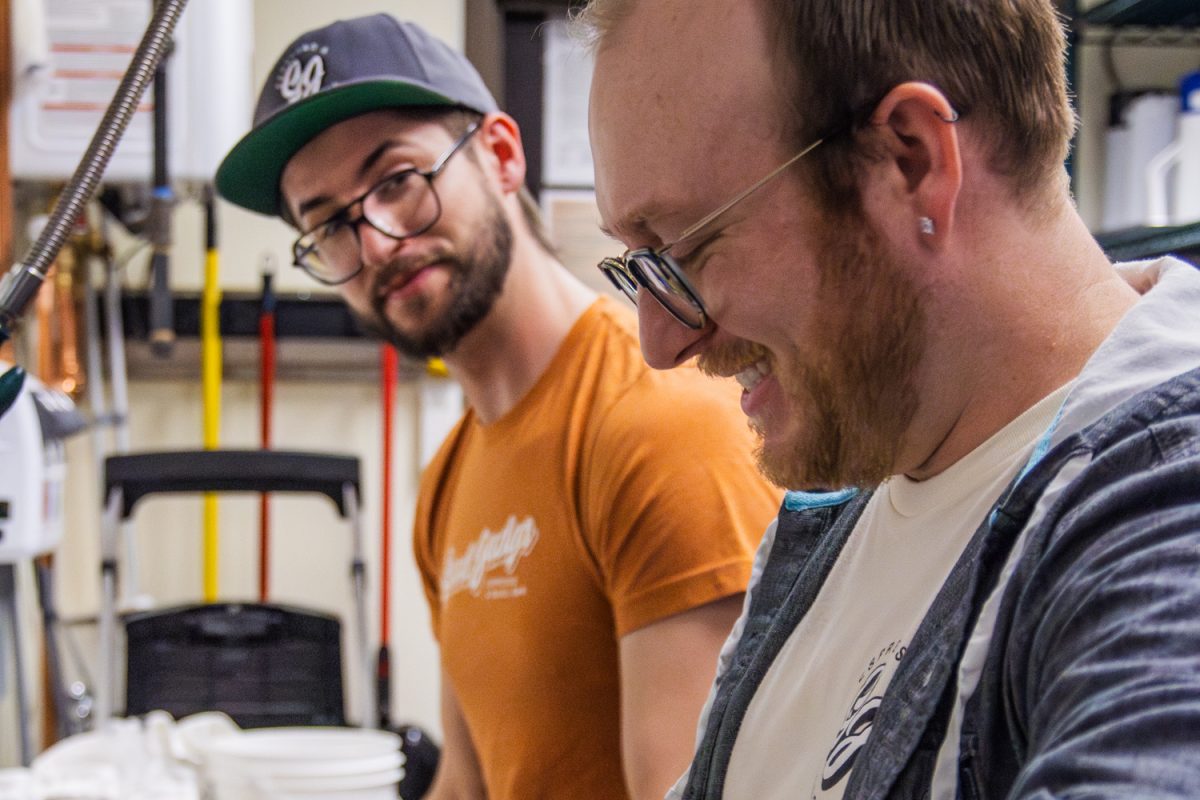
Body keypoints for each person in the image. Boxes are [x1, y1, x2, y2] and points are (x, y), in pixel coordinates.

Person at [580, 0, 1200, 797]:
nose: (661, 344)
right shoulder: (846, 503)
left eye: (688, 249)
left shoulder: (1164, 521)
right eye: (639, 268)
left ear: (910, 159)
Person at [215, 14, 781, 800]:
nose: (376, 243)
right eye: (331, 226)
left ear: (502, 155)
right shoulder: (449, 480)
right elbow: (470, 780)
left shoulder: (658, 425)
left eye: (397, 183)